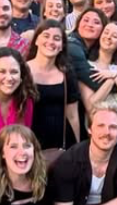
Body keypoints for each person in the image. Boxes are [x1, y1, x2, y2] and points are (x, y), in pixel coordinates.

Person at [26, 18, 81, 151]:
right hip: (29, 140)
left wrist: (77, 148)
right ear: (37, 40)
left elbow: (73, 115)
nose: (51, 42)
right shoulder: (23, 71)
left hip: (61, 143)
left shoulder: (67, 73)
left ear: (62, 46)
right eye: (46, 36)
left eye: (57, 38)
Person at [81, 17, 117, 121]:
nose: (108, 37)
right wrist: (113, 78)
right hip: (100, 123)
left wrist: (116, 75)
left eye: (114, 36)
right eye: (106, 32)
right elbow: (91, 106)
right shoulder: (87, 67)